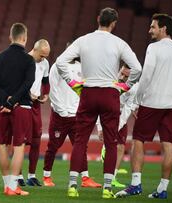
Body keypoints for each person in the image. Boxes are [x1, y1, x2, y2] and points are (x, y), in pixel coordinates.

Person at [56, 7, 142, 198]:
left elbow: (61, 62)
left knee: (80, 141)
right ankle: (107, 188)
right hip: (110, 94)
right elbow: (137, 68)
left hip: (87, 92)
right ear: (114, 24)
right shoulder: (119, 43)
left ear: (98, 19)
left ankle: (72, 186)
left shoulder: (83, 40)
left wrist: (72, 83)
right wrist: (124, 87)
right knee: (111, 143)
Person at [116, 13, 172, 199]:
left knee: (138, 140)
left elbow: (146, 75)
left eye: (153, 27)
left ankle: (135, 184)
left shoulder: (154, 47)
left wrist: (136, 101)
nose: (150, 30)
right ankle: (162, 189)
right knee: (168, 144)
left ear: (163, 28)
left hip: (151, 102)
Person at [0, 23, 35, 196]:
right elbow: (28, 83)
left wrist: (5, 100)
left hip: (3, 108)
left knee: (2, 145)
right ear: (25, 38)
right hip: (21, 106)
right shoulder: (29, 60)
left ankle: (6, 185)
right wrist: (13, 101)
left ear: (10, 37)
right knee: (19, 146)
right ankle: (14, 186)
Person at [42, 58, 101, 188]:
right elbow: (52, 89)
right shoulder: (58, 66)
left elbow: (86, 91)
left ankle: (85, 178)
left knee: (81, 146)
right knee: (53, 146)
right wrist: (61, 110)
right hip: (60, 115)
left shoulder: (83, 68)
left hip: (76, 115)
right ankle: (46, 176)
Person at [97, 64, 139, 188]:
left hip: (120, 116)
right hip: (106, 113)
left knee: (120, 146)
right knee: (112, 145)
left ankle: (113, 178)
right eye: (121, 73)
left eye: (126, 76)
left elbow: (127, 109)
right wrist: (100, 128)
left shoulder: (134, 88)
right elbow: (100, 105)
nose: (121, 77)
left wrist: (117, 127)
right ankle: (105, 147)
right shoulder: (109, 80)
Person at [17, 39, 50, 187]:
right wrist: (27, 93)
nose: (43, 59)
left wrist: (46, 94)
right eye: (41, 55)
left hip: (36, 105)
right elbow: (16, 83)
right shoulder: (23, 61)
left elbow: (45, 81)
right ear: (34, 50)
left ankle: (31, 175)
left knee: (36, 140)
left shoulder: (45, 63)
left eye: (45, 56)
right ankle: (17, 175)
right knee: (21, 140)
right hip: (23, 104)